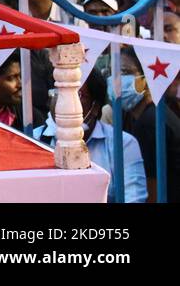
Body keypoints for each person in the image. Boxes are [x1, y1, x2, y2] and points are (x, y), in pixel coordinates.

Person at [37, 66, 147, 203]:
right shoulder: (34, 139)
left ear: (95, 108)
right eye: (58, 92)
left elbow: (134, 198)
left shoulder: (122, 144)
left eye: (77, 94)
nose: (62, 100)